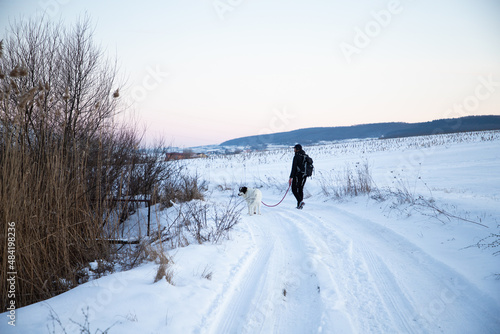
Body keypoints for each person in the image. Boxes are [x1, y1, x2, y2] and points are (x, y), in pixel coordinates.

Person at [289, 144, 307, 209]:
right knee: (300, 189)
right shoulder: (305, 155)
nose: (294, 150)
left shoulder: (296, 156)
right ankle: (299, 205)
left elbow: (293, 168)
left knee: (294, 189)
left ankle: (300, 201)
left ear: (297, 149)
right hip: (304, 176)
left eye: (294, 148)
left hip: (297, 175)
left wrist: (291, 177)